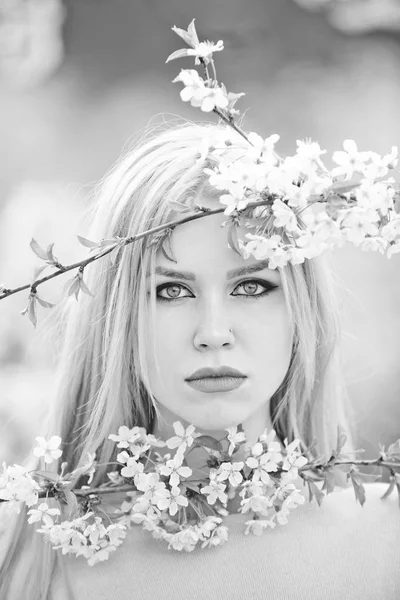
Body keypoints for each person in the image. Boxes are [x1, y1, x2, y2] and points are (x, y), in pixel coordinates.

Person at [0, 122, 398, 600]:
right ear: (117, 320)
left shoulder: (385, 542)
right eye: (171, 290)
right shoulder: (45, 558)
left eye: (251, 286)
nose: (213, 334)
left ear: (302, 310)